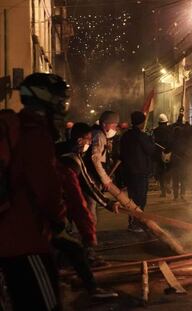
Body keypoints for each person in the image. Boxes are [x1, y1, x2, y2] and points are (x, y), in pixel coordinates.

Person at [0, 73, 69, 310]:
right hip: (24, 241)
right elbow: (47, 187)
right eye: (60, 100)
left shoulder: (21, 128)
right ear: (44, 98)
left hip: (11, 239)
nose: (63, 106)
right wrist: (60, 221)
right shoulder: (34, 134)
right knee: (46, 305)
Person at [55, 123, 119, 298]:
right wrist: (107, 204)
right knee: (71, 246)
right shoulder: (72, 158)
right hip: (53, 210)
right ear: (79, 140)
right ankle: (89, 287)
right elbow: (87, 186)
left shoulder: (59, 150)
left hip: (53, 208)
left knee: (66, 246)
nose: (89, 144)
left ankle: (64, 276)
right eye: (89, 140)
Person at [120, 111, 155, 232]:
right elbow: (150, 150)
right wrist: (151, 139)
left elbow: (122, 153)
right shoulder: (142, 136)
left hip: (129, 172)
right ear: (141, 123)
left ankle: (132, 222)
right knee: (140, 199)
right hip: (140, 172)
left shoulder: (125, 136)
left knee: (132, 199)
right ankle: (137, 223)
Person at [84, 111, 119, 224]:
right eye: (113, 125)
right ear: (104, 124)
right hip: (91, 174)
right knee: (91, 203)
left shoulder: (98, 133)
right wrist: (105, 179)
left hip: (92, 173)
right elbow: (95, 158)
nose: (115, 128)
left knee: (91, 203)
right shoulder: (99, 135)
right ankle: (89, 233)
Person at [153, 113, 173, 197]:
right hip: (169, 153)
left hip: (159, 154)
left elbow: (153, 142)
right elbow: (172, 141)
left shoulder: (155, 131)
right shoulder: (170, 130)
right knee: (169, 170)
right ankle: (168, 184)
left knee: (161, 173)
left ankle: (163, 191)